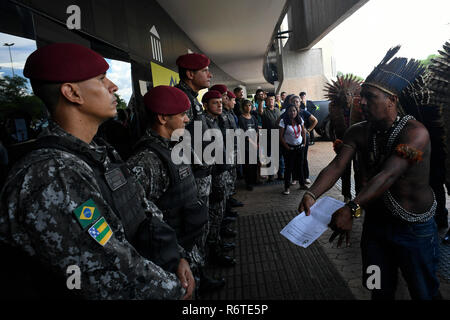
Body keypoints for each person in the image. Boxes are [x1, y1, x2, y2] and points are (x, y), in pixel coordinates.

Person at [0, 43, 193, 299]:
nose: (113, 86)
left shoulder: (98, 153)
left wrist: (177, 255)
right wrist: (176, 290)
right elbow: (105, 267)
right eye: (102, 79)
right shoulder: (53, 175)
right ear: (72, 93)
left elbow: (141, 208)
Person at [298, 46, 440, 300]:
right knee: (377, 287)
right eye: (361, 96)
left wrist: (352, 208)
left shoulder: (415, 134)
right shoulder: (358, 131)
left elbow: (387, 176)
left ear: (392, 101)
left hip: (414, 231)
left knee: (423, 291)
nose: (361, 102)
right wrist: (312, 193)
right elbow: (336, 166)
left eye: (370, 97)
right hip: (376, 230)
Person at [127, 85, 225, 297]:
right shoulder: (147, 161)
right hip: (171, 260)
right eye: (181, 115)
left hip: (185, 249)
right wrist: (175, 256)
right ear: (163, 118)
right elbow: (140, 220)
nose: (187, 120)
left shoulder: (172, 146)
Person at [201, 90, 236, 267]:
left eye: (220, 102)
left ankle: (218, 243)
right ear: (205, 105)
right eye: (215, 103)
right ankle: (214, 252)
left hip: (221, 172)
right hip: (212, 176)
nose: (220, 104)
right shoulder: (203, 123)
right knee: (213, 214)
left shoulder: (215, 121)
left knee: (219, 211)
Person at [279, 104, 306, 195]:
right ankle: (287, 188)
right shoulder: (284, 121)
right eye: (290, 111)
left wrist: (304, 143)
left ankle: (302, 184)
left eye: (294, 110)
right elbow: (281, 137)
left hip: (300, 147)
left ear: (297, 111)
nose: (292, 112)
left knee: (300, 166)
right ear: (287, 112)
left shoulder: (299, 119)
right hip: (289, 148)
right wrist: (287, 147)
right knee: (288, 168)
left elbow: (303, 132)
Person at [292, 95, 318, 185]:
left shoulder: (304, 112)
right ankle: (295, 178)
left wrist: (308, 130)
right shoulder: (289, 113)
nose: (295, 103)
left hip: (304, 137)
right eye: (294, 101)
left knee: (303, 157)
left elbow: (315, 120)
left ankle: (306, 177)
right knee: (294, 158)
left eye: (297, 101)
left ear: (300, 103)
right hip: (293, 139)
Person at [238, 100, 259, 191]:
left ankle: (254, 180)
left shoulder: (253, 117)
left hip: (254, 144)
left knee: (254, 163)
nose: (248, 107)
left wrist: (256, 141)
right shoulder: (240, 118)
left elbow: (256, 130)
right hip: (245, 145)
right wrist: (252, 143)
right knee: (247, 165)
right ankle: (248, 183)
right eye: (246, 106)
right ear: (243, 107)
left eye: (250, 105)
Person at [260, 92, 281, 181]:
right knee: (269, 156)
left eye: (272, 99)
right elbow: (260, 111)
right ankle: (271, 175)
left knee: (279, 156)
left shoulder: (277, 110)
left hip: (278, 136)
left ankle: (281, 174)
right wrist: (261, 100)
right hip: (267, 137)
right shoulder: (264, 111)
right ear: (266, 102)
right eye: (268, 100)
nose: (271, 101)